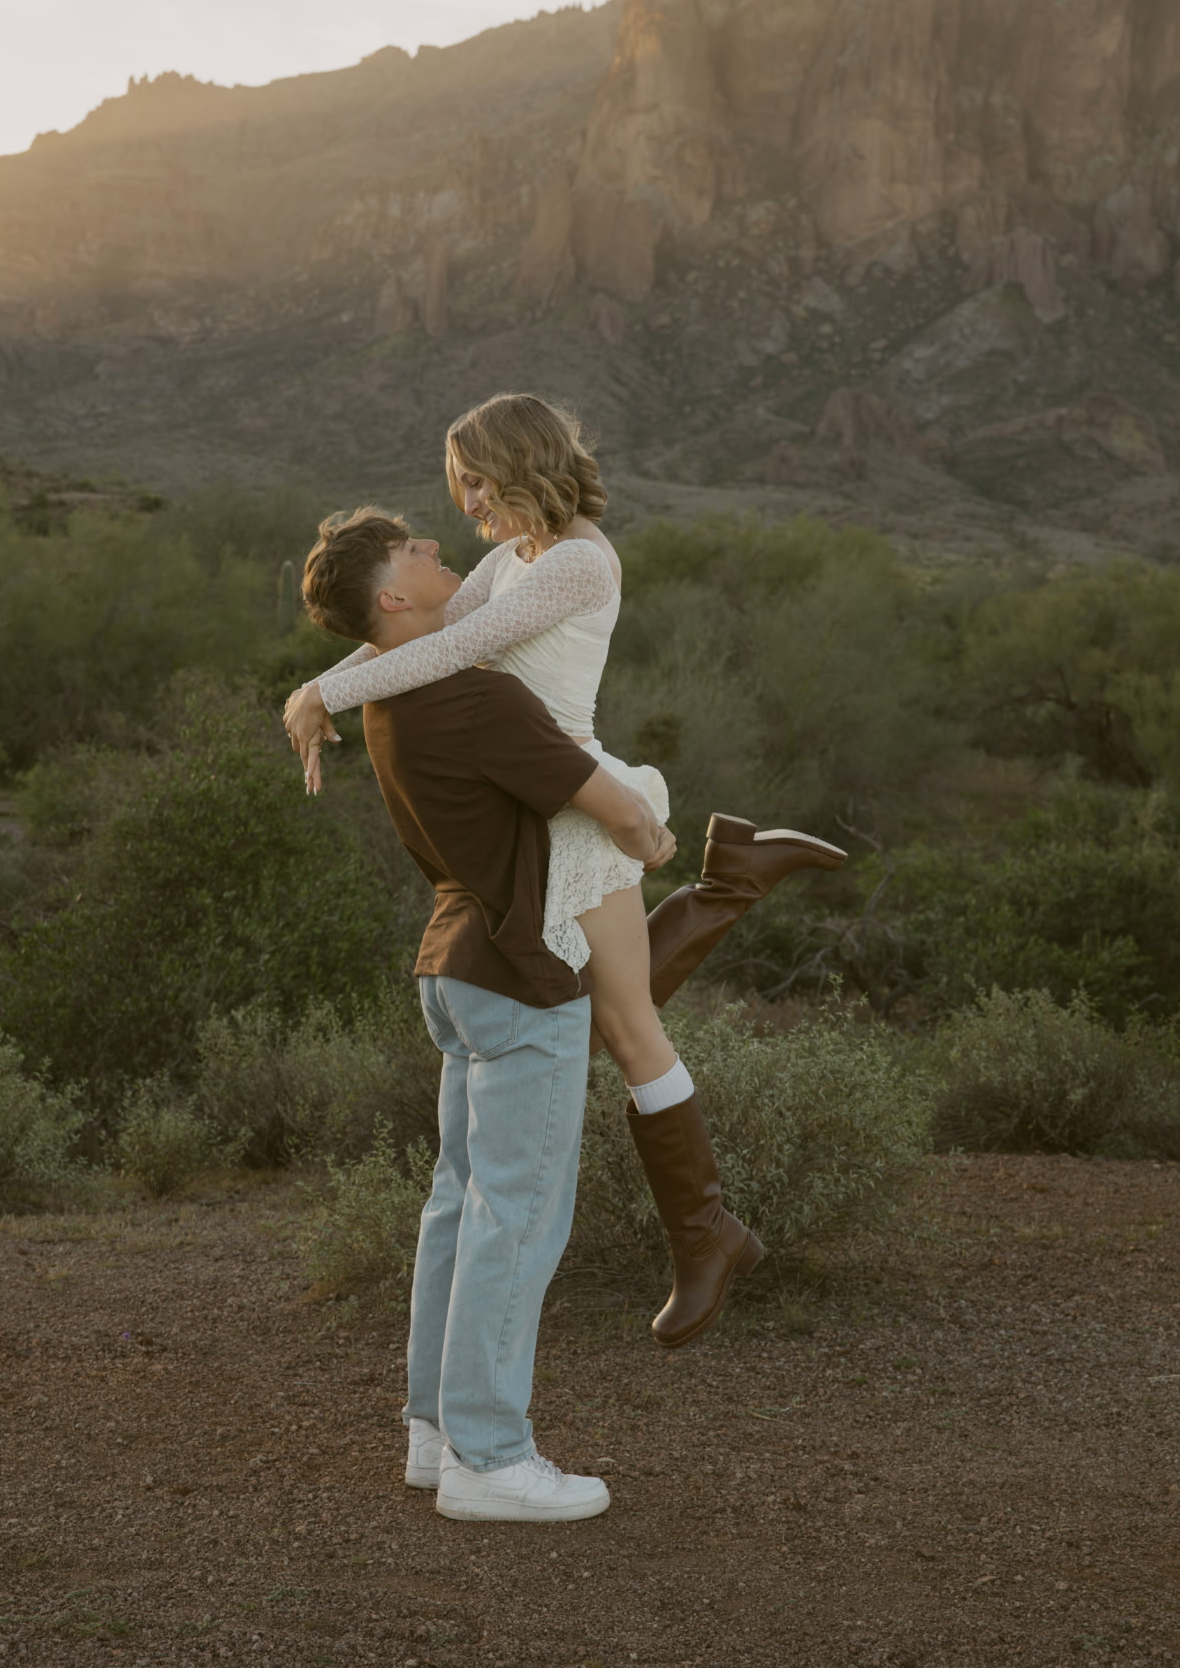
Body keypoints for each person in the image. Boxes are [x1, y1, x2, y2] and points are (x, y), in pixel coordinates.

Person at [285, 394, 844, 1349]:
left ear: (516, 467)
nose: (463, 505)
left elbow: (456, 648)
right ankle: (734, 885)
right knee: (598, 1017)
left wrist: (316, 690)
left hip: (576, 805)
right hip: (546, 801)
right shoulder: (514, 559)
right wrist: (335, 675)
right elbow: (423, 640)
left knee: (620, 1027)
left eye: (472, 482)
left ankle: (706, 1237)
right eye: (457, 486)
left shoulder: (579, 561)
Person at [297, 505, 698, 1522]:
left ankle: (434, 1435)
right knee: (517, 1213)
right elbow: (614, 807)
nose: (438, 549)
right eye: (416, 552)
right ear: (393, 597)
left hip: (454, 965)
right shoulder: (474, 696)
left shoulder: (396, 705)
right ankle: (489, 1454)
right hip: (518, 973)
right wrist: (653, 835)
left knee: (463, 1206)